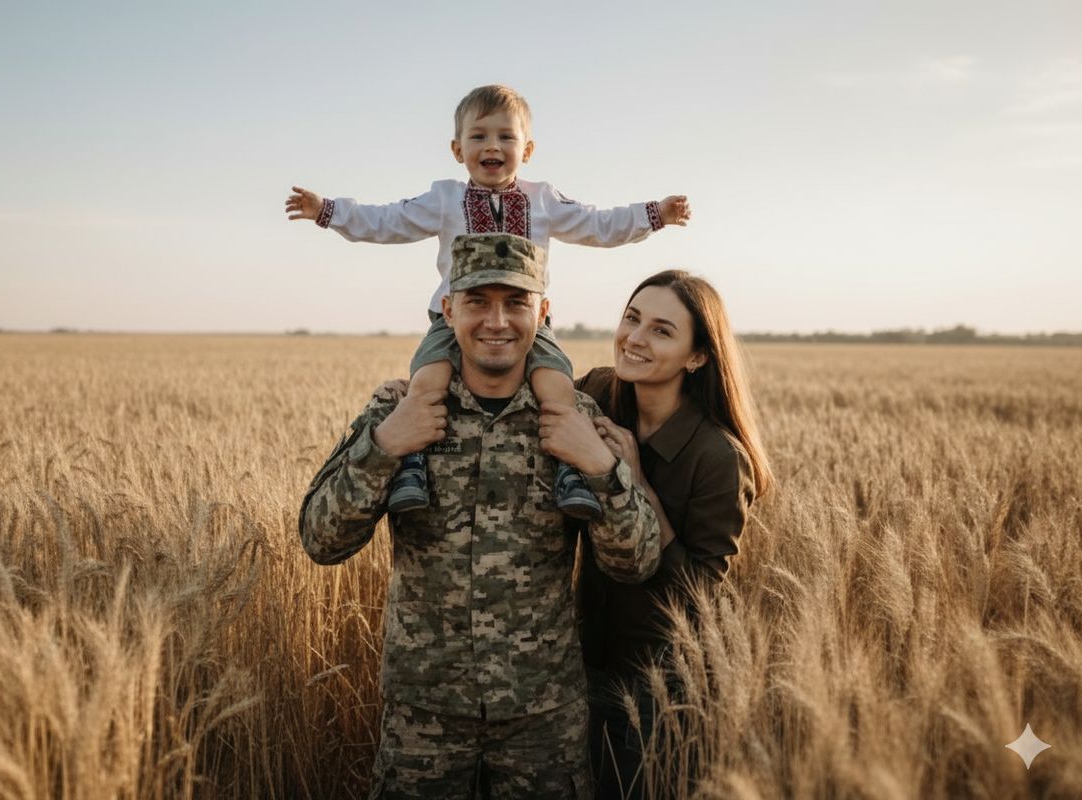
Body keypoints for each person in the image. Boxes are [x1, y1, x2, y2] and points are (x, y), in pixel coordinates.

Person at [299, 233, 663, 799]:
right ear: (448, 311)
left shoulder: (575, 417)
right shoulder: (398, 412)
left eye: (516, 302)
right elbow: (320, 538)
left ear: (541, 314)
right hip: (423, 716)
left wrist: (596, 463)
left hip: (542, 718)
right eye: (477, 302)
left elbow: (634, 561)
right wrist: (386, 446)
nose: (497, 321)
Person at [287, 84, 691, 521]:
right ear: (458, 149)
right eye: (479, 136)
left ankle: (569, 472)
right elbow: (387, 221)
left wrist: (654, 215)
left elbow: (598, 223)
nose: (492, 145)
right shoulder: (443, 199)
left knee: (557, 387)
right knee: (427, 383)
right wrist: (327, 210)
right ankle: (412, 467)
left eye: (506, 136)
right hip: (453, 321)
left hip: (530, 324)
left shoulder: (543, 199)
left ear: (528, 149)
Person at [577, 269, 774, 799]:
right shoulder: (598, 391)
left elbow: (700, 594)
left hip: (662, 687)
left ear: (697, 357)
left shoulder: (718, 458)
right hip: (582, 664)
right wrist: (421, 384)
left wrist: (636, 483)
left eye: (662, 330)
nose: (635, 338)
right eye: (632, 318)